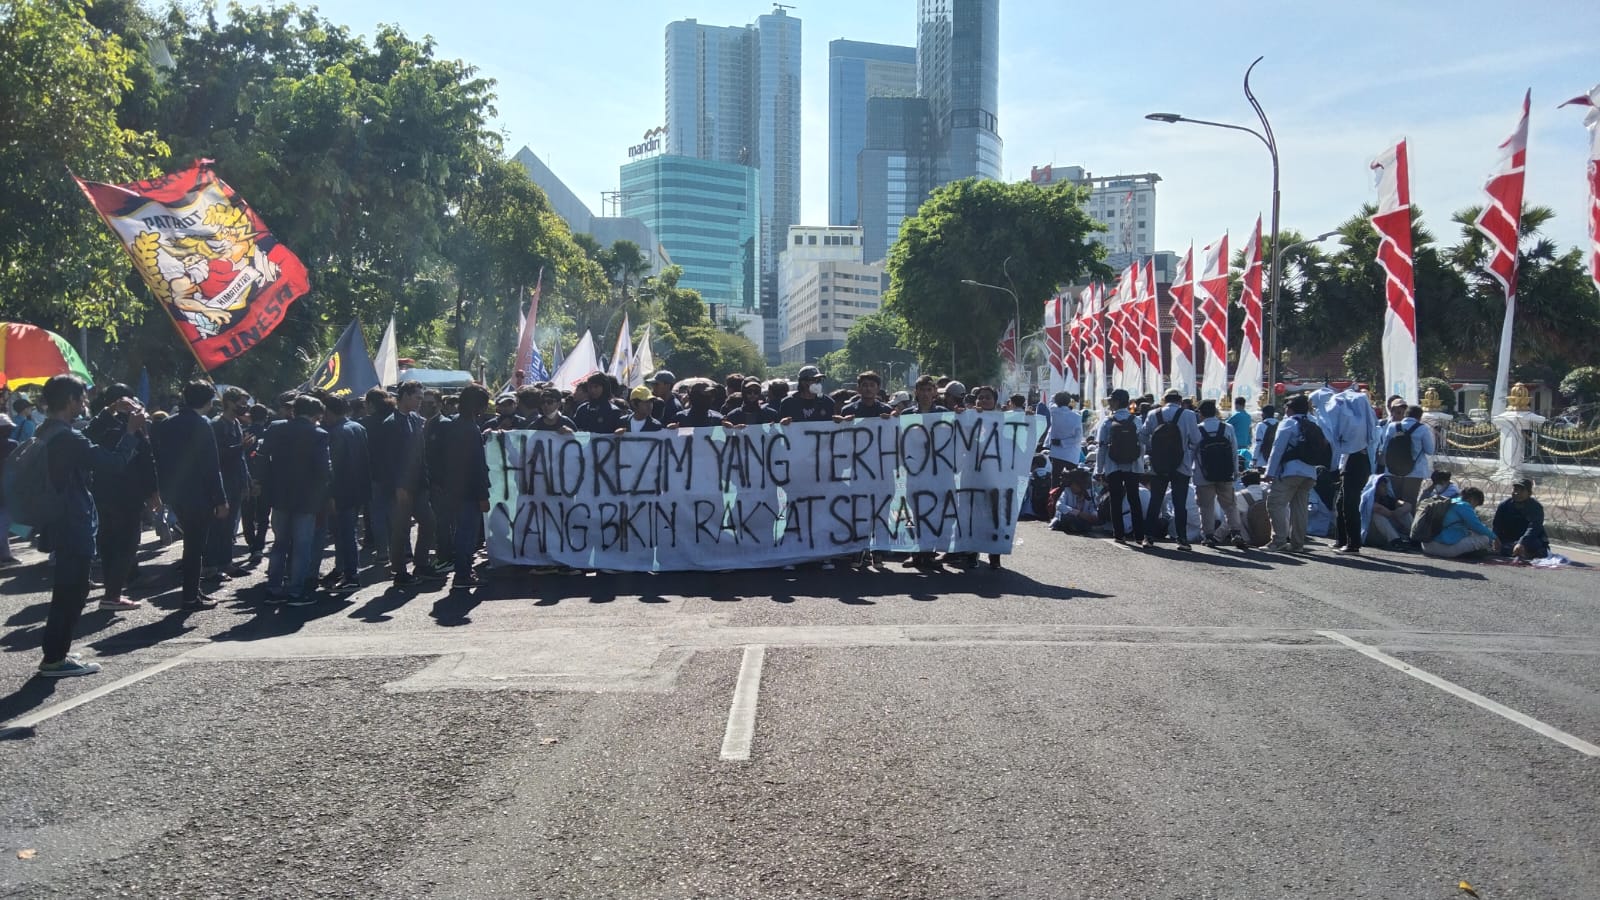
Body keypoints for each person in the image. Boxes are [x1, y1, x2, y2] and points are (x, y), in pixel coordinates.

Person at [30, 376, 149, 676]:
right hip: (73, 520)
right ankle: (55, 658)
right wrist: (131, 433)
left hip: (58, 518)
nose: (84, 403)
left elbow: (86, 441)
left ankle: (57, 652)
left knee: (68, 587)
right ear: (70, 399)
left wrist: (108, 412)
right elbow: (111, 462)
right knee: (73, 590)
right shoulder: (68, 438)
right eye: (81, 398)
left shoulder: (48, 430)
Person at [151, 381, 229, 610]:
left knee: (191, 544)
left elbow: (158, 459)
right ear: (208, 401)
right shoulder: (201, 424)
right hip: (199, 493)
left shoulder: (166, 423)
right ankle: (190, 596)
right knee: (195, 546)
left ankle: (194, 590)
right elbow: (210, 465)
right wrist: (220, 499)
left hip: (176, 492)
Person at [82, 383, 159, 610]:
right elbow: (146, 459)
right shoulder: (132, 426)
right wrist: (153, 492)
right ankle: (113, 595)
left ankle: (112, 591)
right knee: (127, 544)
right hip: (127, 494)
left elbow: (89, 436)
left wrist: (109, 411)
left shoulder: (99, 426)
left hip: (102, 493)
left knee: (108, 544)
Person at [261, 394, 331, 604]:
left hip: (280, 495)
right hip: (307, 498)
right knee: (302, 546)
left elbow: (263, 455)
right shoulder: (319, 434)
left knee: (280, 543)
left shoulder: (276, 428)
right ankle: (295, 590)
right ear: (316, 414)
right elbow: (324, 469)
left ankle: (273, 587)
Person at [375, 381, 442, 587]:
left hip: (419, 484)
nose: (420, 402)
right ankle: (400, 571)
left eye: (422, 398)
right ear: (404, 396)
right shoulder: (391, 423)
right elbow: (389, 460)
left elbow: (420, 454)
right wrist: (399, 487)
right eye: (417, 398)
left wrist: (427, 480)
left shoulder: (416, 419)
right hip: (402, 487)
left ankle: (421, 564)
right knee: (400, 529)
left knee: (429, 522)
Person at [430, 384, 492, 590]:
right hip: (469, 492)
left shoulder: (451, 424)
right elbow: (477, 466)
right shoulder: (470, 428)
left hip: (450, 489)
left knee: (458, 532)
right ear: (479, 407)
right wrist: (483, 495)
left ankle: (462, 570)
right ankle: (463, 574)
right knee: (467, 533)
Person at [1318, 386, 1379, 554]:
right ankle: (1342, 539)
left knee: (1349, 504)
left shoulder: (1355, 421)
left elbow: (1339, 427)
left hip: (1355, 461)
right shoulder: (1360, 419)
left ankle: (1353, 543)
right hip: (1352, 460)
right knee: (1340, 502)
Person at [321, 394, 369, 594]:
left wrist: (331, 493)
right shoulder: (358, 427)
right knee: (347, 532)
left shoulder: (336, 433)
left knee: (345, 534)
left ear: (329, 412)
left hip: (342, 490)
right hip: (358, 488)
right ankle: (343, 569)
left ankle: (351, 574)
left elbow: (336, 467)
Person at [1141, 389, 1201, 549]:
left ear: (1164, 400)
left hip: (1158, 464)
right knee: (1179, 502)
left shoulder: (1154, 414)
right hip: (1182, 464)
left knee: (1155, 500)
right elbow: (1196, 439)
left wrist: (1153, 448)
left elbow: (1142, 435)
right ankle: (1182, 539)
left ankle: (1148, 536)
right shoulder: (1188, 415)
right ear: (1180, 401)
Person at [204, 387, 252, 580]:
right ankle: (210, 567)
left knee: (229, 527)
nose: (244, 406)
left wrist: (247, 481)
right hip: (222, 482)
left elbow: (241, 458)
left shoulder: (236, 424)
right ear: (230, 402)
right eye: (241, 402)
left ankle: (226, 563)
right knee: (218, 527)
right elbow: (217, 455)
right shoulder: (217, 424)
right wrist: (241, 446)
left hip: (236, 482)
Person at [1263, 394, 1321, 553]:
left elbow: (1278, 448)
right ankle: (1297, 543)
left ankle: (1279, 540)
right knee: (1300, 508)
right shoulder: (1313, 422)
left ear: (1291, 408)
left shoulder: (1288, 423)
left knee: (1275, 503)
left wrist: (1270, 472)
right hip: (1310, 472)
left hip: (1290, 471)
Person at [1192, 399, 1250, 550]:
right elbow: (1234, 451)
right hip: (1225, 473)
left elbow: (1192, 452)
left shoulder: (1197, 429)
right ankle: (1236, 533)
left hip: (1203, 475)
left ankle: (1208, 535)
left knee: (1206, 506)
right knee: (1230, 505)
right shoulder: (1227, 427)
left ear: (1201, 413)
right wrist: (1235, 471)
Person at [1094, 388, 1147, 547]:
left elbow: (1102, 447)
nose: (1109, 403)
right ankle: (1139, 535)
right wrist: (1140, 465)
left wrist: (1099, 469)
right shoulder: (1136, 421)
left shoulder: (1108, 422)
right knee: (1134, 499)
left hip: (1113, 465)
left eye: (1111, 400)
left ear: (1117, 402)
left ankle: (1119, 535)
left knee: (1115, 500)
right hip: (1133, 466)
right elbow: (1142, 445)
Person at [1421, 487, 1499, 558]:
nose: (1474, 508)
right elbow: (1477, 526)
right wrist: (1495, 538)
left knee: (1473, 533)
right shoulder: (1464, 506)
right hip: (1442, 548)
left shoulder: (1452, 501)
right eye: (1476, 505)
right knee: (1484, 538)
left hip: (1426, 545)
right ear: (1473, 499)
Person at [1380, 404, 1434, 505]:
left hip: (1393, 470)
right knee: (1410, 502)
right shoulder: (1422, 429)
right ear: (1419, 417)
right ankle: (1409, 520)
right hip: (1414, 471)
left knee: (1395, 501)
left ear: (1405, 414)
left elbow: (1385, 448)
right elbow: (1429, 451)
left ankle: (1395, 520)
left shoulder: (1392, 427)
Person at [1493, 478, 1549, 562]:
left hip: (1529, 539)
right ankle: (1518, 551)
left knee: (1536, 545)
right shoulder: (1504, 505)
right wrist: (1495, 538)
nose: (1516, 493)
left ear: (1529, 493)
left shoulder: (1536, 507)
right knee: (1486, 540)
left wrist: (1521, 543)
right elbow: (1497, 525)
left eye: (1521, 490)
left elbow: (1534, 528)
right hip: (1509, 538)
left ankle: (1519, 550)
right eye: (1515, 489)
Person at [1360, 474, 1412, 549]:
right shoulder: (1366, 500)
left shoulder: (1386, 498)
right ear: (1375, 487)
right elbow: (1378, 508)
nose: (1386, 488)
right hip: (1369, 535)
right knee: (1377, 515)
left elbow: (1408, 505)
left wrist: (1401, 510)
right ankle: (1395, 541)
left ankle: (1414, 538)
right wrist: (1394, 516)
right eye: (1383, 486)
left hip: (1384, 534)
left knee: (1406, 513)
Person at [1042, 391, 1084, 482]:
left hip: (1057, 453)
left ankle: (1054, 496)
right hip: (1072, 454)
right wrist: (1063, 442)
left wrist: (1065, 395)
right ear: (1069, 401)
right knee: (1072, 482)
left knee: (1055, 482)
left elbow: (1052, 400)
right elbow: (1078, 438)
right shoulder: (1077, 417)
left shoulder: (1054, 411)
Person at [1051, 468, 1099, 534]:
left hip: (1084, 520)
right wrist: (1078, 513)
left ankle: (1077, 527)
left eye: (1074, 484)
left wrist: (1094, 515)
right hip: (1068, 518)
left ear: (1081, 485)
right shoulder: (1067, 491)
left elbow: (1093, 507)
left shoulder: (1090, 493)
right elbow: (1059, 505)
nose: (1072, 486)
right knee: (1067, 518)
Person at [0, 414, 16, 567]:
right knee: (6, 521)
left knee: (4, 521)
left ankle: (5, 555)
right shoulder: (11, 445)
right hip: (7, 489)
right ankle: (4, 555)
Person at [1227, 397, 1255, 468]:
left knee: (1235, 463)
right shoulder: (1248, 416)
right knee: (1244, 462)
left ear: (1236, 404)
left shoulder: (1237, 415)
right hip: (1245, 442)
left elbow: (1225, 425)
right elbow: (1249, 430)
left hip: (1235, 443)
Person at [1252, 405, 1279, 470]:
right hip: (1276, 459)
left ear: (1264, 414)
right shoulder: (1279, 424)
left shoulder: (1261, 425)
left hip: (1262, 459)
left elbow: (1258, 443)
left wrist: (1254, 458)